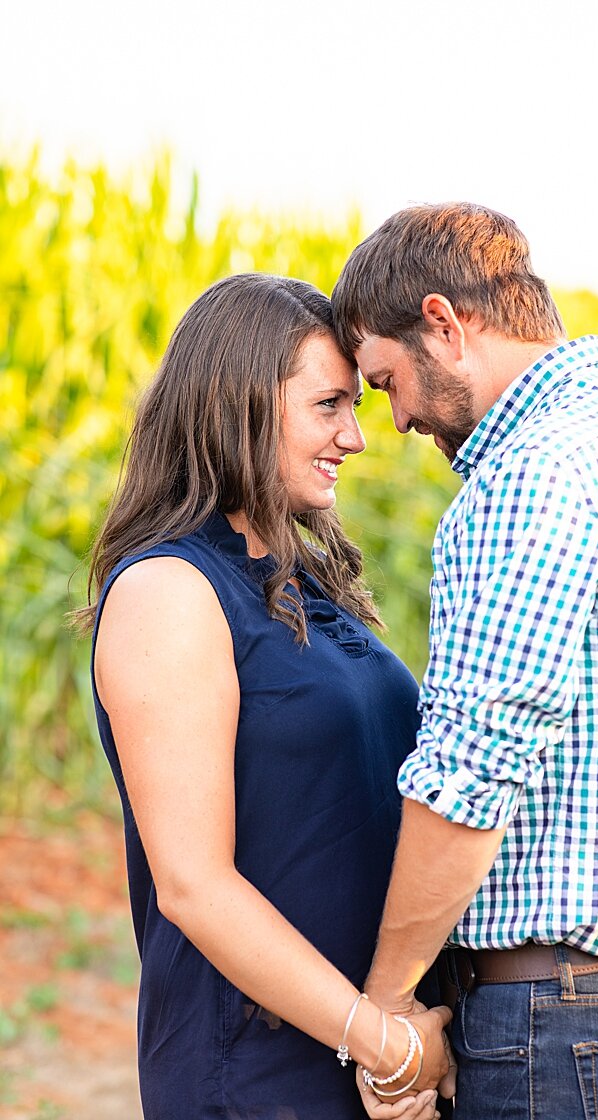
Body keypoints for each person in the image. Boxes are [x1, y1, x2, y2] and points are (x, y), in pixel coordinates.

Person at [329, 202, 598, 1120]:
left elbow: (469, 778)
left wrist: (386, 1004)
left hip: (562, 1020)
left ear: (445, 324)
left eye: (387, 380)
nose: (391, 419)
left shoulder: (529, 482)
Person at [79, 274, 452, 1119]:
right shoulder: (169, 590)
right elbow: (194, 886)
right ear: (239, 403)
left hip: (356, 1052)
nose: (356, 436)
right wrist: (382, 1040)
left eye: (355, 404)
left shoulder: (301, 578)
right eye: (329, 405)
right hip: (255, 1070)